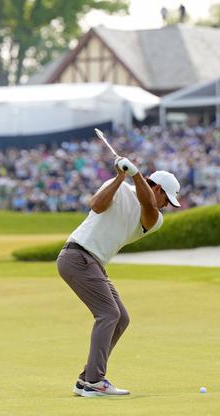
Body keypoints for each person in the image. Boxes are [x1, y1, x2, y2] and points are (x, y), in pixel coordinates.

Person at [57, 156, 181, 397]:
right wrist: (119, 177)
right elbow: (97, 205)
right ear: (157, 188)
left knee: (121, 318)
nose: (167, 205)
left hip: (93, 262)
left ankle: (86, 378)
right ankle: (95, 380)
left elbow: (147, 207)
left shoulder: (155, 218)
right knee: (108, 313)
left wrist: (134, 174)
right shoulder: (117, 186)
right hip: (76, 256)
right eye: (167, 198)